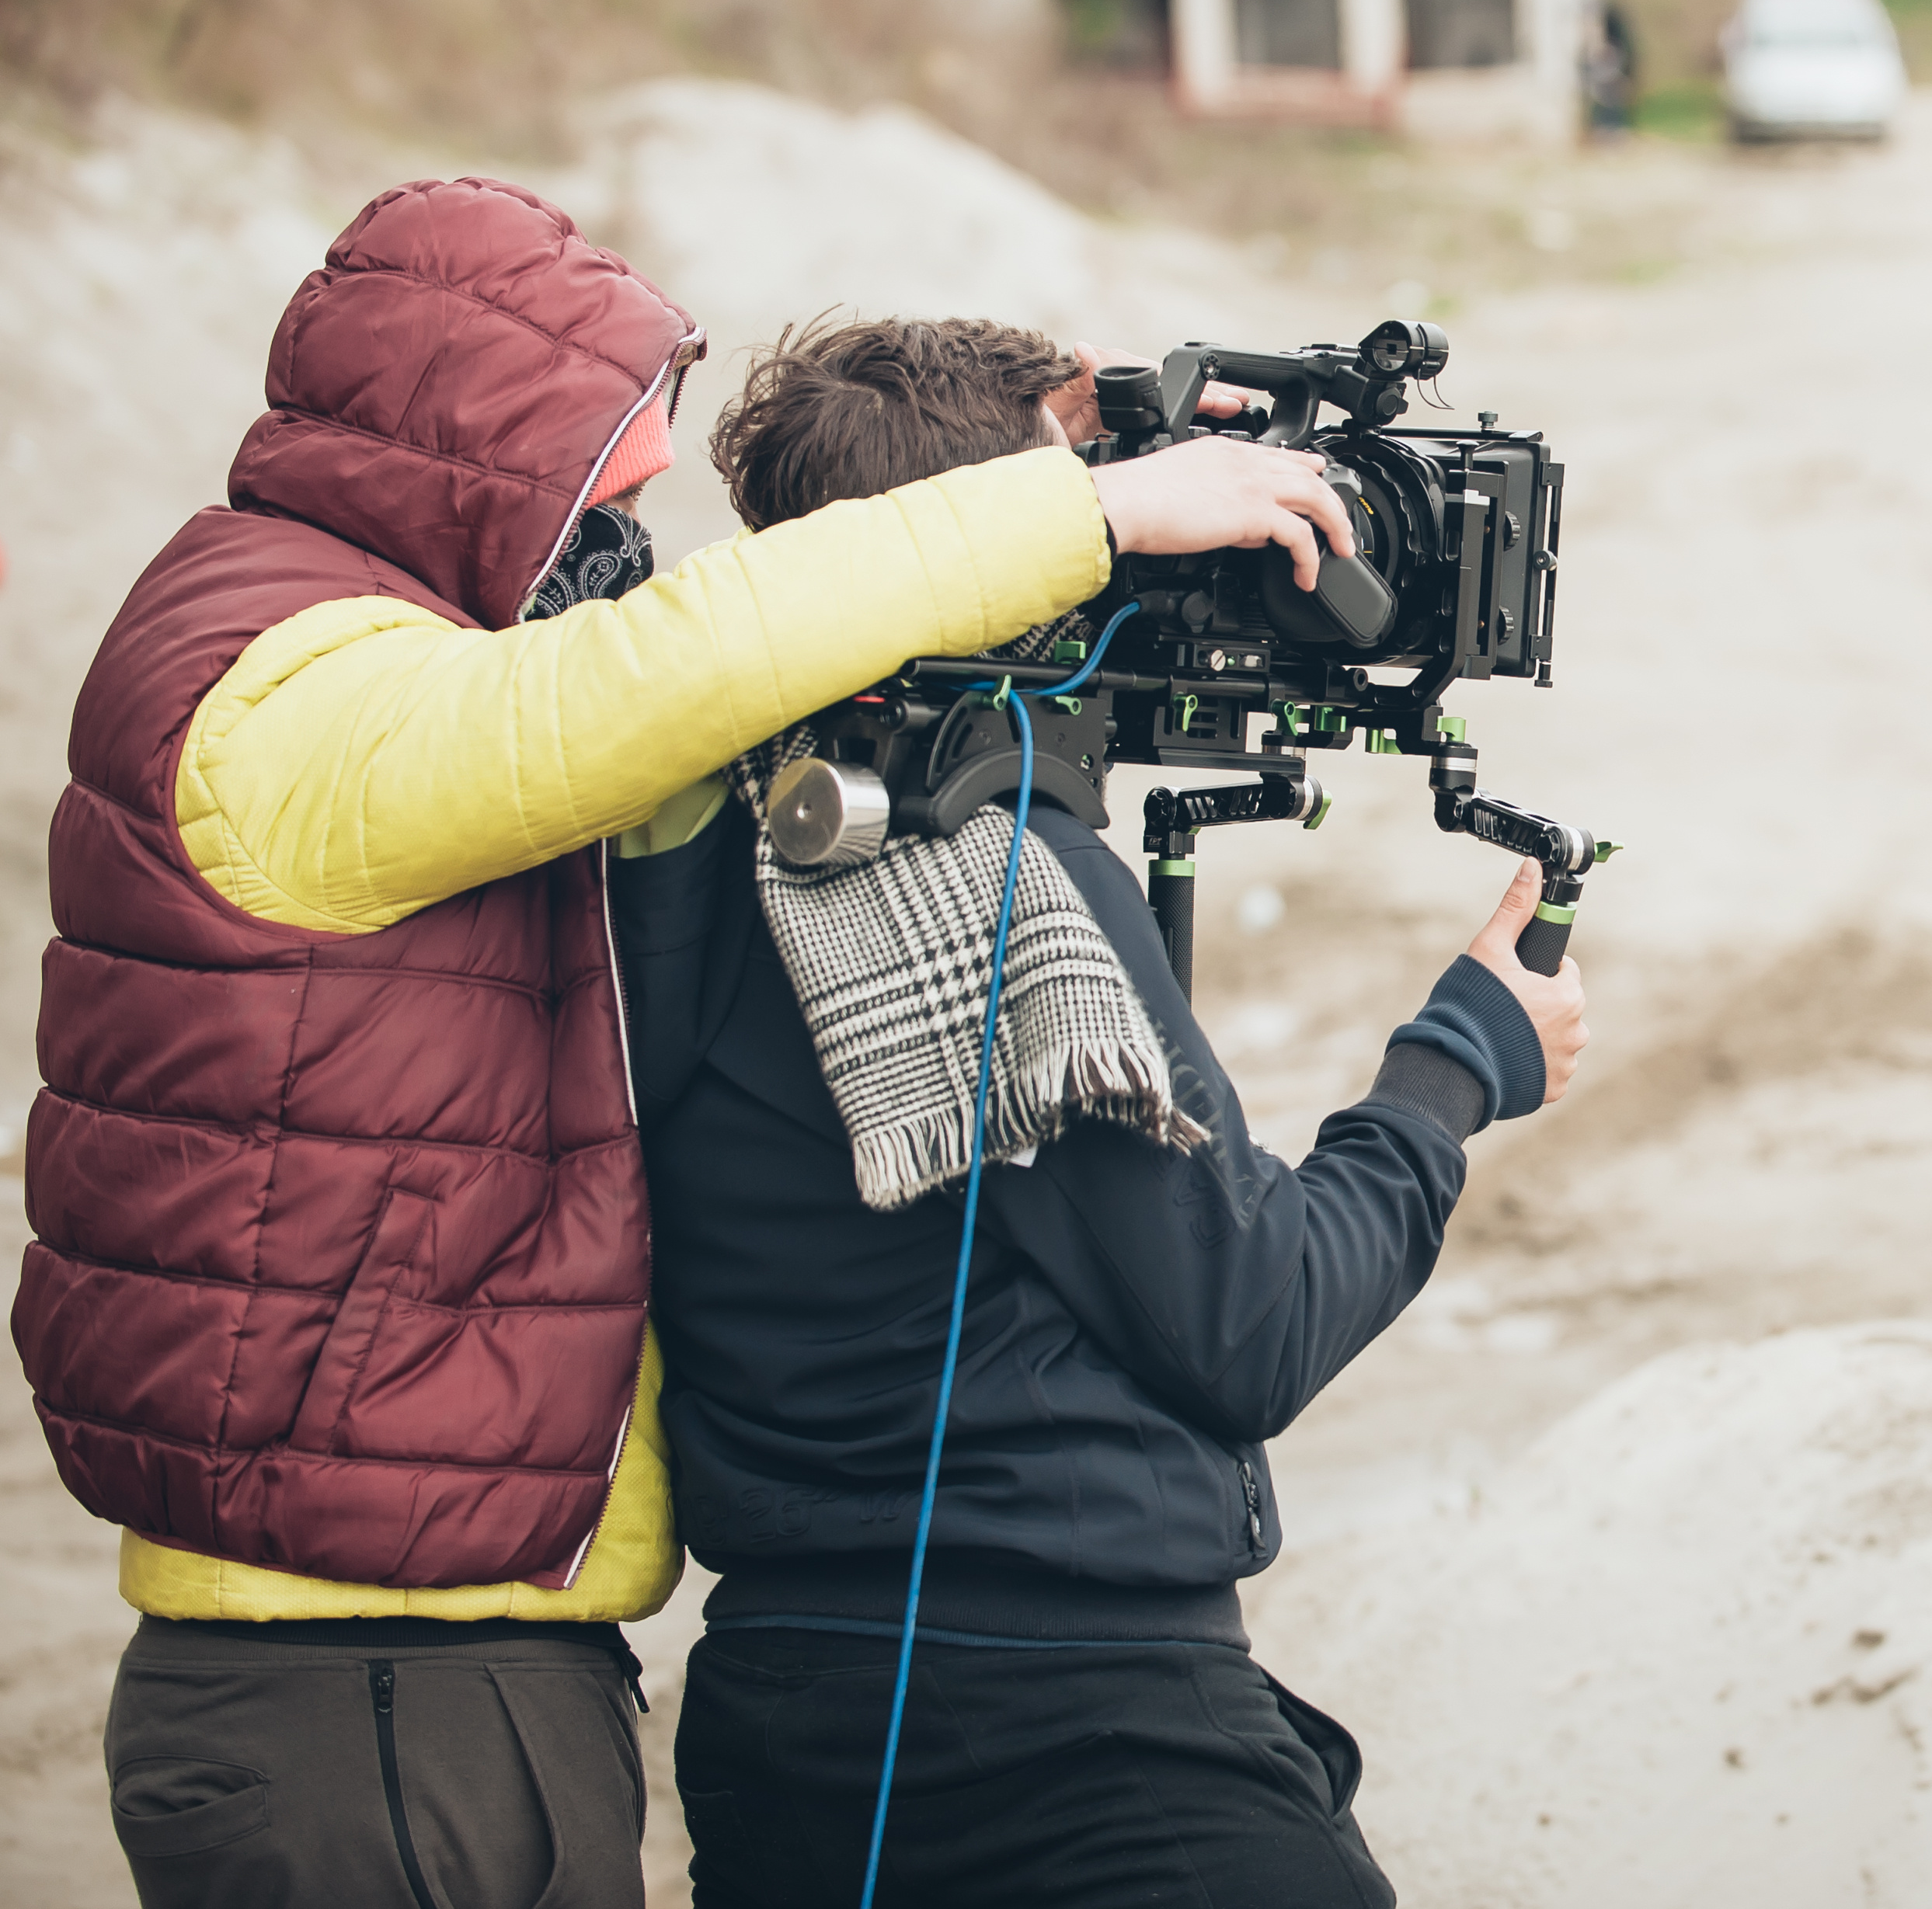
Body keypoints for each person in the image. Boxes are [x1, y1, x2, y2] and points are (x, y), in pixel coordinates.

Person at [16, 178, 1351, 1908]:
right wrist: (1082, 511)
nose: (639, 521)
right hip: (371, 1691)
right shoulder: (293, 698)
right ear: (472, 454)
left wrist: (1047, 426)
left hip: (425, 1653)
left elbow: (695, 681)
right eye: (607, 472)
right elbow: (658, 677)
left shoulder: (326, 645)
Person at [609, 315, 1587, 1907]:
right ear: (1003, 562)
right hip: (1072, 1731)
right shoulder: (994, 896)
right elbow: (1248, 1322)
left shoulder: (691, 849)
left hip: (786, 1710)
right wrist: (1459, 1063)